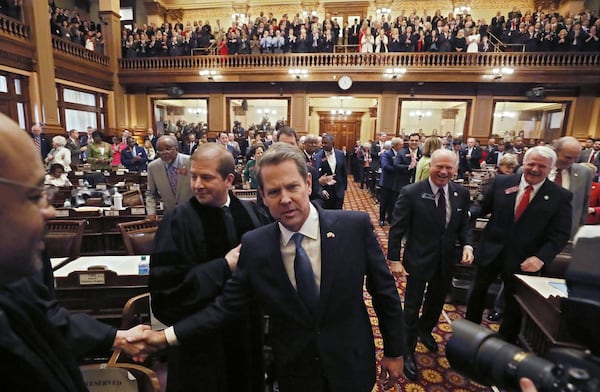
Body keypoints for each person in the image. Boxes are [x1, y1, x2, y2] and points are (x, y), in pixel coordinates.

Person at [136, 142, 406, 392]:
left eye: (292, 187)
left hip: (351, 365)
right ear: (262, 196)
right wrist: (164, 338)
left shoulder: (353, 227)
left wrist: (394, 350)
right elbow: (225, 306)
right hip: (293, 371)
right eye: (274, 192)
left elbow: (384, 293)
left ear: (308, 183)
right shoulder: (257, 244)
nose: (285, 199)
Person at [0, 112, 154, 390]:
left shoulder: (17, 268)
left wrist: (116, 337)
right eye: (35, 196)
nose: (49, 211)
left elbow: (47, 320)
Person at [149, 142, 266, 392]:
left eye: (206, 177)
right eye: (193, 177)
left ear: (229, 179)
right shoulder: (177, 220)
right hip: (200, 343)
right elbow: (165, 293)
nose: (197, 185)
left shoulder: (251, 214)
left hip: (246, 334)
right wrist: (223, 266)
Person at [465, 146, 572, 344]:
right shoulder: (502, 182)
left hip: (526, 259)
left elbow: (560, 234)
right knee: (476, 294)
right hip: (491, 251)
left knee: (514, 306)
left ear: (551, 168)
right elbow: (482, 206)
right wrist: (468, 214)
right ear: (524, 163)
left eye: (542, 166)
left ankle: (503, 345)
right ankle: (469, 336)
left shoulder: (560, 196)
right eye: (531, 164)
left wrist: (540, 258)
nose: (535, 169)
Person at [388, 149, 474, 380]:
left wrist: (468, 245)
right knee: (412, 306)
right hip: (418, 258)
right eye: (440, 167)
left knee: (436, 302)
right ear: (430, 166)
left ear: (456, 169)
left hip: (446, 260)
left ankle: (425, 331)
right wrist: (394, 258)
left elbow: (464, 224)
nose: (444, 172)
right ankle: (407, 349)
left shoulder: (460, 193)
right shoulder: (411, 192)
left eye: (449, 168)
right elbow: (397, 229)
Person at [549, 136, 594, 238]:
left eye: (576, 158)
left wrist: (579, 228)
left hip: (567, 232)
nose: (572, 161)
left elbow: (584, 204)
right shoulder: (540, 169)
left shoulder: (585, 173)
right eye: (568, 157)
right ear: (555, 153)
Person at [145, 135, 194, 219]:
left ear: (176, 149)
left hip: (192, 214)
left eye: (168, 149)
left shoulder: (191, 162)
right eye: (160, 150)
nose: (164, 152)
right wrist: (151, 212)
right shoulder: (153, 167)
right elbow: (151, 193)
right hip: (170, 216)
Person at [312, 134, 347, 209]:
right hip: (325, 191)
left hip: (338, 189)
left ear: (332, 143)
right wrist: (320, 190)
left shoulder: (340, 154)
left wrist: (344, 188)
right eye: (322, 143)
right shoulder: (317, 156)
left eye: (326, 143)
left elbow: (344, 172)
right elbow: (316, 176)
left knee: (338, 213)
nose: (323, 145)